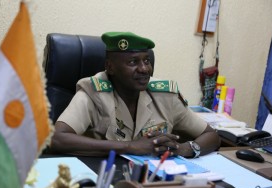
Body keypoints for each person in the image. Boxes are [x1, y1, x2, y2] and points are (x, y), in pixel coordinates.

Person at [50, 32, 221, 157]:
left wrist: (186, 149)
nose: (145, 69)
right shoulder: (93, 94)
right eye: (133, 62)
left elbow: (212, 136)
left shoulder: (164, 96)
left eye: (146, 60)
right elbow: (57, 138)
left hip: (155, 182)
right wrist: (129, 147)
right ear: (110, 67)